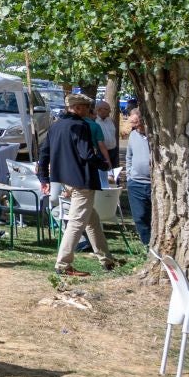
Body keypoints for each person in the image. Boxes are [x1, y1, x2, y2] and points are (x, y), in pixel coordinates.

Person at [39, 91, 116, 276]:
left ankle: (107, 260)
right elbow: (86, 153)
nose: (89, 112)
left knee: (92, 221)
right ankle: (63, 265)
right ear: (78, 108)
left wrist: (43, 177)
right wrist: (103, 164)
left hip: (67, 181)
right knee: (76, 223)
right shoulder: (81, 126)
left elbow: (44, 154)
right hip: (82, 180)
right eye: (87, 108)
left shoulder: (56, 127)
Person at [124, 107, 152, 245]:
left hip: (154, 184)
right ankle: (147, 245)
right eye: (133, 124)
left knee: (155, 217)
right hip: (135, 183)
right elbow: (129, 156)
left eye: (137, 124)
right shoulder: (133, 135)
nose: (135, 127)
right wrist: (129, 174)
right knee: (140, 217)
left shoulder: (154, 136)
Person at [92, 99, 118, 170]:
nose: (109, 111)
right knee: (103, 173)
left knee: (114, 172)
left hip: (113, 151)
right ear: (99, 110)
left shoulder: (110, 120)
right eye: (107, 109)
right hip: (101, 153)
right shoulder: (94, 122)